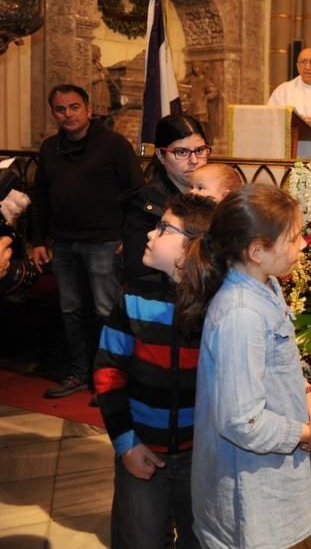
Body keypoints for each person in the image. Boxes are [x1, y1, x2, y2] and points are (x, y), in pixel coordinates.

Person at [182, 184, 311, 548]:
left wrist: (304, 396)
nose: (303, 245)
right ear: (257, 251)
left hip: (267, 476)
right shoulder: (241, 314)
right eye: (293, 239)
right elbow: (242, 421)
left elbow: (269, 368)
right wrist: (310, 436)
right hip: (247, 487)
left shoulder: (265, 283)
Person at [93, 193, 217, 549]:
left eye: (164, 228)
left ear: (193, 247)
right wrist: (126, 443)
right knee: (139, 538)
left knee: (201, 539)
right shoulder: (134, 296)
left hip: (201, 457)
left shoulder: (217, 306)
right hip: (142, 447)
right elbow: (108, 371)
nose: (150, 233)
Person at [30, 84, 143, 398]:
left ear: (89, 109)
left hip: (105, 243)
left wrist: (128, 238)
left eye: (74, 107)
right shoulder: (50, 148)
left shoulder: (114, 145)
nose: (68, 114)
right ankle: (80, 372)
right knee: (71, 311)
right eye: (61, 109)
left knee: (106, 312)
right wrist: (39, 240)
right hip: (64, 243)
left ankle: (109, 380)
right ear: (54, 113)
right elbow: (40, 197)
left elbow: (136, 194)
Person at [121, 114, 210, 293]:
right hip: (160, 295)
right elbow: (137, 267)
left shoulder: (214, 192)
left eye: (200, 150)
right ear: (161, 156)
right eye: (181, 152)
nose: (194, 160)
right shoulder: (145, 201)